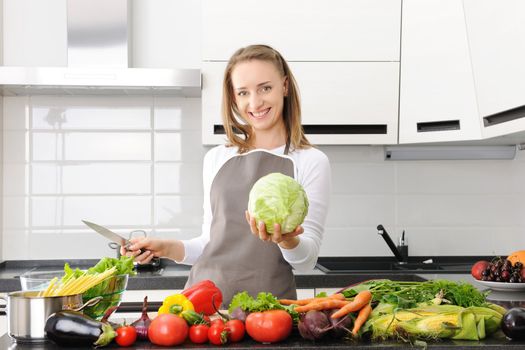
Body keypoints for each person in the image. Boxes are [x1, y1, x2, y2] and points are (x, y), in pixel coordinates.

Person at [122, 44, 331, 305]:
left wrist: (288, 241)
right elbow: (209, 244)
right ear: (234, 97)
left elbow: (306, 262)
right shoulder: (217, 158)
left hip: (267, 311)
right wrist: (165, 248)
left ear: (285, 86)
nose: (255, 102)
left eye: (265, 88)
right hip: (203, 304)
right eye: (243, 92)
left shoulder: (310, 161)